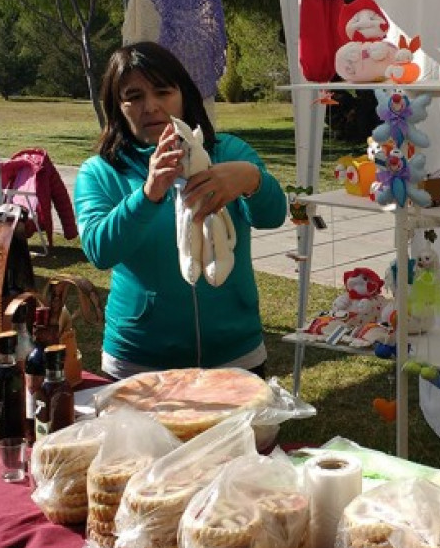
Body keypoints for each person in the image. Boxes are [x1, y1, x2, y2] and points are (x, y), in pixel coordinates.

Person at [74, 42, 287, 379]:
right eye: (134, 96)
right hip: (140, 359)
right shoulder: (99, 171)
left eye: (163, 91)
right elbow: (100, 250)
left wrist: (252, 180)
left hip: (235, 353)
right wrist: (147, 194)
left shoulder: (230, 151)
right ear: (117, 107)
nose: (151, 106)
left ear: (183, 95)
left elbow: (273, 215)